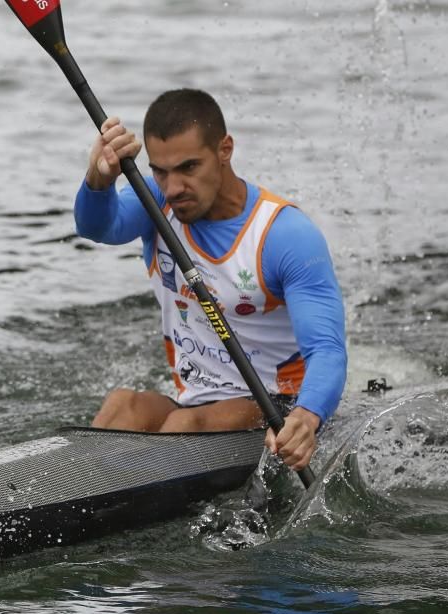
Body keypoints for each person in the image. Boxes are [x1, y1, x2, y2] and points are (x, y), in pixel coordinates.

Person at [73, 88, 347, 471]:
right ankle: (70, 490)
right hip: (195, 401)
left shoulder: (284, 235)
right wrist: (98, 180)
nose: (173, 188)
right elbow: (97, 226)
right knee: (125, 405)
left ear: (225, 150)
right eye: (160, 171)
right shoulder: (157, 202)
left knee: (185, 425)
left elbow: (328, 350)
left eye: (188, 168)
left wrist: (306, 417)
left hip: (276, 407)